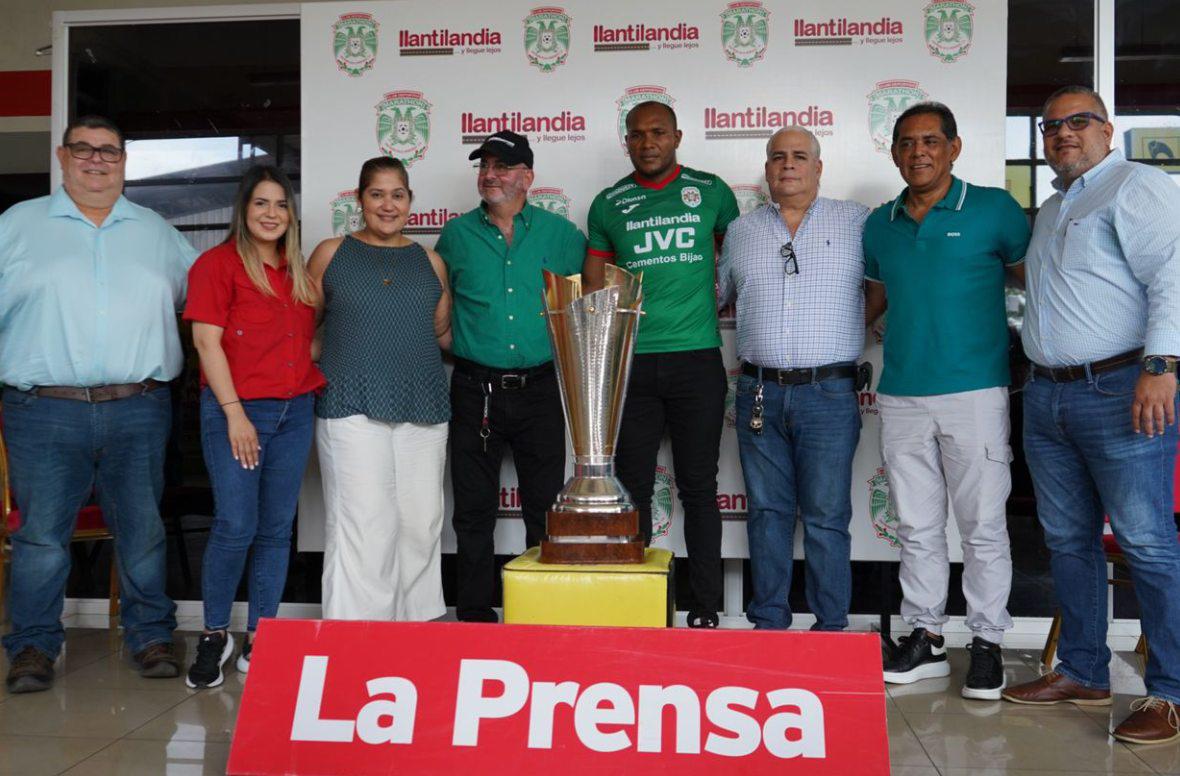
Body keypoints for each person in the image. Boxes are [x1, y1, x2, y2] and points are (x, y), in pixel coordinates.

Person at [1002, 86, 1180, 745]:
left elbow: (1173, 271)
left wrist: (1161, 367)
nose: (1062, 134)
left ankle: (1169, 693)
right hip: (1047, 397)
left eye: (1078, 122)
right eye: (1051, 126)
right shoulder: (1053, 208)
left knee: (1146, 543)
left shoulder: (1136, 185)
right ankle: (1082, 670)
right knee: (1067, 541)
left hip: (1120, 388)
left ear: (1109, 128)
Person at [0, 115, 197, 693]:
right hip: (42, 409)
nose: (96, 159)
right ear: (62, 158)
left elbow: (212, 296)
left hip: (138, 406)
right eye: (82, 149)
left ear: (124, 161)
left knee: (142, 530)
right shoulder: (16, 226)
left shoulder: (158, 232)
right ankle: (33, 646)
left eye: (108, 150)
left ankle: (150, 635)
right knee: (40, 537)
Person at [863, 102, 1029, 698]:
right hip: (903, 393)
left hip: (975, 391)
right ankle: (926, 638)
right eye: (906, 143)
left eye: (931, 141)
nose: (919, 152)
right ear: (894, 153)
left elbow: (1036, 279)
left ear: (954, 148)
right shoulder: (880, 223)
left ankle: (986, 643)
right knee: (916, 526)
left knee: (983, 526)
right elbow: (874, 303)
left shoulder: (994, 209)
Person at [583, 102, 739, 627]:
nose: (647, 142)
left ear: (677, 136)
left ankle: (706, 607)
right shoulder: (608, 204)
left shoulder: (711, 191)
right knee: (632, 484)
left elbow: (738, 266)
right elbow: (592, 289)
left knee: (699, 485)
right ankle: (639, 604)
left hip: (697, 359)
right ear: (625, 141)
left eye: (657, 133)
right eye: (636, 134)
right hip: (632, 364)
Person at [717, 126, 868, 632]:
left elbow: (887, 286)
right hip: (758, 390)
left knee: (826, 517)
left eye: (800, 156)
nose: (788, 164)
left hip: (829, 392)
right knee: (766, 513)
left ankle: (831, 629)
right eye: (777, 156)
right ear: (766, 170)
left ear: (819, 167)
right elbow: (712, 299)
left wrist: (850, 329)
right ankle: (769, 624)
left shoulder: (856, 223)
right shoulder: (741, 232)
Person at [181, 165, 324, 688]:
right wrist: (235, 412)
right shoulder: (216, 265)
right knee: (234, 526)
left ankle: (261, 635)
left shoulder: (298, 272)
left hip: (294, 411)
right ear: (244, 210)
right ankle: (215, 634)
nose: (271, 214)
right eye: (261, 203)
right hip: (237, 412)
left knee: (273, 530)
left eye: (281, 204)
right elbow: (206, 343)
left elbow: (306, 339)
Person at [435, 130, 585, 622]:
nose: (489, 175)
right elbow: (439, 307)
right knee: (473, 511)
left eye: (501, 166)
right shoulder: (455, 236)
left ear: (528, 177)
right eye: (484, 167)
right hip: (474, 388)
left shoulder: (563, 236)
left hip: (541, 388)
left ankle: (539, 612)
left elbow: (594, 305)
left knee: (544, 508)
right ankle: (474, 613)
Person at [308, 156, 451, 622]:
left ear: (410, 201)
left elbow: (441, 333)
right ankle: (357, 637)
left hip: (423, 405)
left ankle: (417, 629)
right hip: (350, 404)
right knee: (365, 524)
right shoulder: (331, 253)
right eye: (377, 194)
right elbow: (306, 334)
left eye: (398, 195)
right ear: (359, 199)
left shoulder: (430, 261)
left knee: (420, 524)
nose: (388, 205)